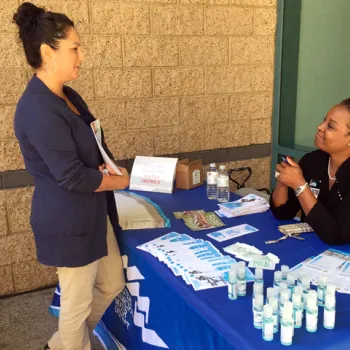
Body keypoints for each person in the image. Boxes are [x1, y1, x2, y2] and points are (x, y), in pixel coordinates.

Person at [13, 3, 129, 349]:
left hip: (93, 213)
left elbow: (86, 146)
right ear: (48, 52)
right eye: (75, 48)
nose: (82, 56)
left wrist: (105, 166)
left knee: (112, 284)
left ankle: (61, 344)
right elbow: (72, 177)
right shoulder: (37, 108)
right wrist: (119, 182)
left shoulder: (66, 95)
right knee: (75, 309)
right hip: (68, 220)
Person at [271, 98, 350, 245]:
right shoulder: (313, 161)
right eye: (324, 120)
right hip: (310, 249)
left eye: (331, 126)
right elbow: (283, 213)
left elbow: (335, 234)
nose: (320, 127)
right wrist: (284, 181)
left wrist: (300, 186)